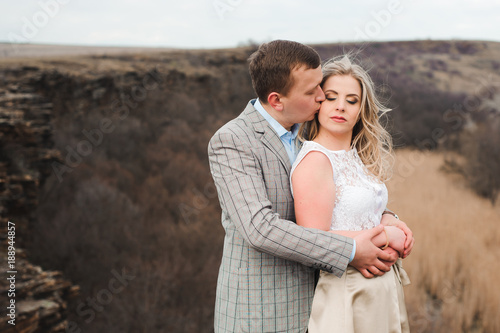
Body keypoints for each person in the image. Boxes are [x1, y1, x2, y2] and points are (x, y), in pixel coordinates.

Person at [208, 40, 413, 333]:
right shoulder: (233, 141)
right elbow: (260, 228)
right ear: (277, 100)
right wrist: (354, 248)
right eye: (314, 91)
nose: (321, 97)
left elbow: (336, 197)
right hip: (263, 314)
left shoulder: (305, 139)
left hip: (318, 303)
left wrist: (385, 216)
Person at [291, 55, 412, 333]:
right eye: (331, 97)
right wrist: (385, 236)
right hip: (347, 290)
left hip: (381, 290)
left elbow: (357, 212)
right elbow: (313, 239)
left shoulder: (356, 156)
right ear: (318, 104)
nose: (340, 107)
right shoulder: (316, 160)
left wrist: (390, 219)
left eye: (352, 100)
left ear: (362, 109)